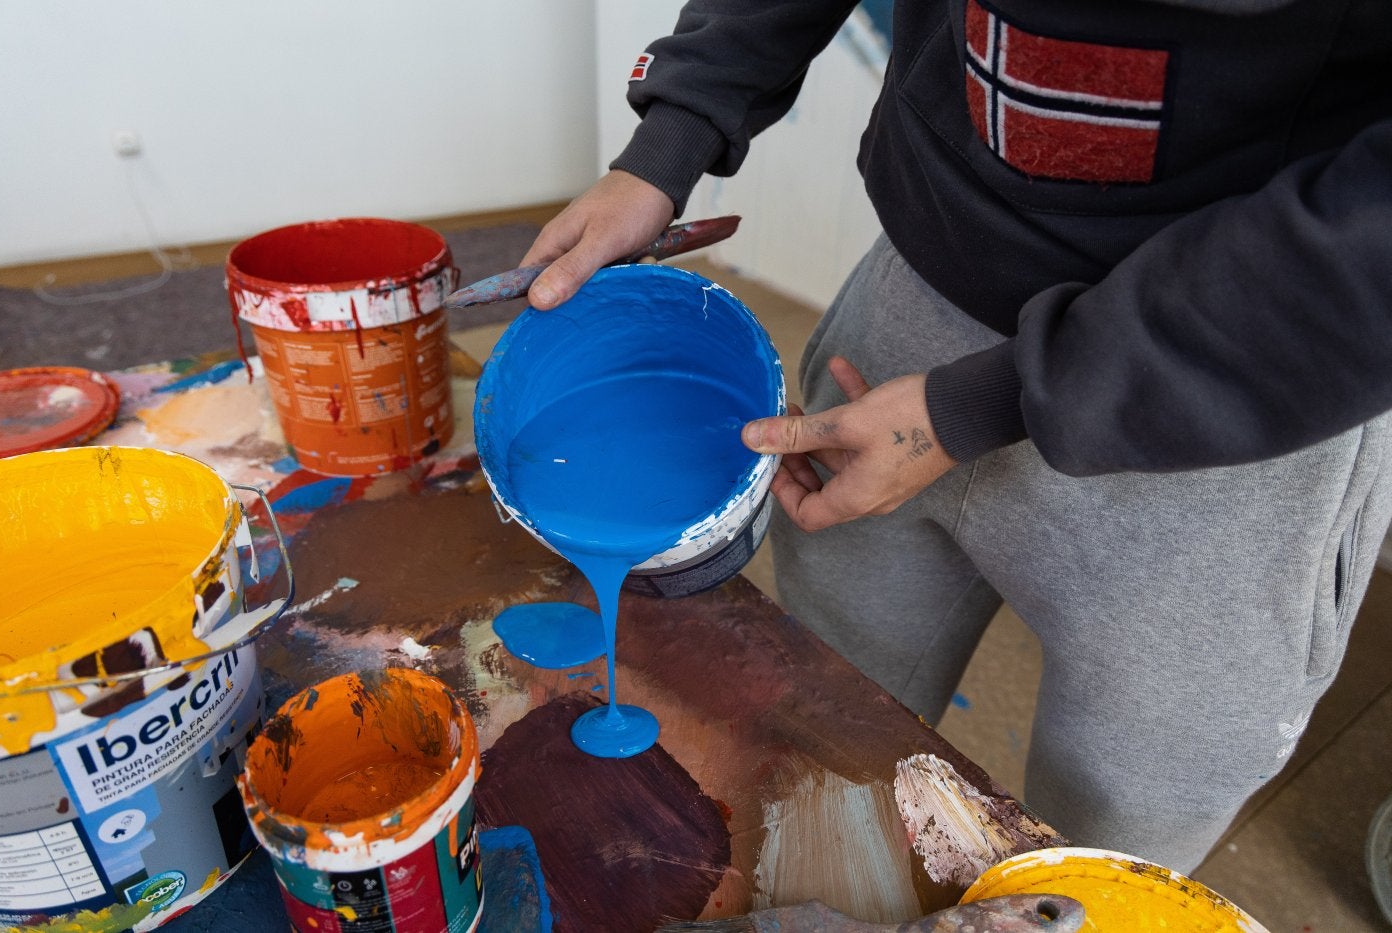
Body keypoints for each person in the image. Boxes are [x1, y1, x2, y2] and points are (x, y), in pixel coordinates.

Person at [517, 0, 1392, 874]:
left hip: (1226, 388)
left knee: (1109, 848)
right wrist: (673, 136)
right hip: (917, 293)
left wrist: (976, 404)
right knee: (831, 723)